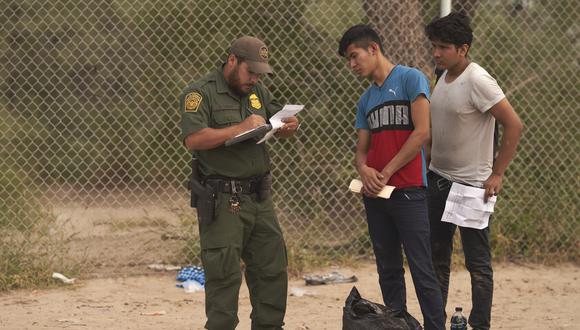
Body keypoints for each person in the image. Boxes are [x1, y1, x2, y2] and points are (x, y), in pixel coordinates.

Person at [179, 36, 299, 330]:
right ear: (232, 61)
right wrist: (239, 128)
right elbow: (193, 139)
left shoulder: (257, 90)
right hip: (223, 201)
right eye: (251, 72)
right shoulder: (200, 93)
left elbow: (273, 119)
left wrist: (286, 126)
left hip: (260, 197)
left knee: (271, 269)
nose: (255, 79)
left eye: (260, 74)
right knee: (224, 275)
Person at [338, 25, 445, 330]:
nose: (352, 64)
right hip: (376, 196)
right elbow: (361, 152)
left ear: (373, 49)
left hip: (409, 191)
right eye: (348, 60)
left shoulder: (411, 78)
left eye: (354, 56)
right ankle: (397, 325)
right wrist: (365, 170)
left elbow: (422, 132)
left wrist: (386, 171)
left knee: (422, 268)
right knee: (388, 269)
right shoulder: (366, 100)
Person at [425, 13, 523, 330]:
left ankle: (480, 323)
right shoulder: (443, 76)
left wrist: (497, 174)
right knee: (436, 257)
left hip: (470, 188)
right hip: (438, 180)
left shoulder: (478, 79)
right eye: (434, 46)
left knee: (477, 262)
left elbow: (513, 124)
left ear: (463, 49)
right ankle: (434, 322)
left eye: (443, 47)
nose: (436, 53)